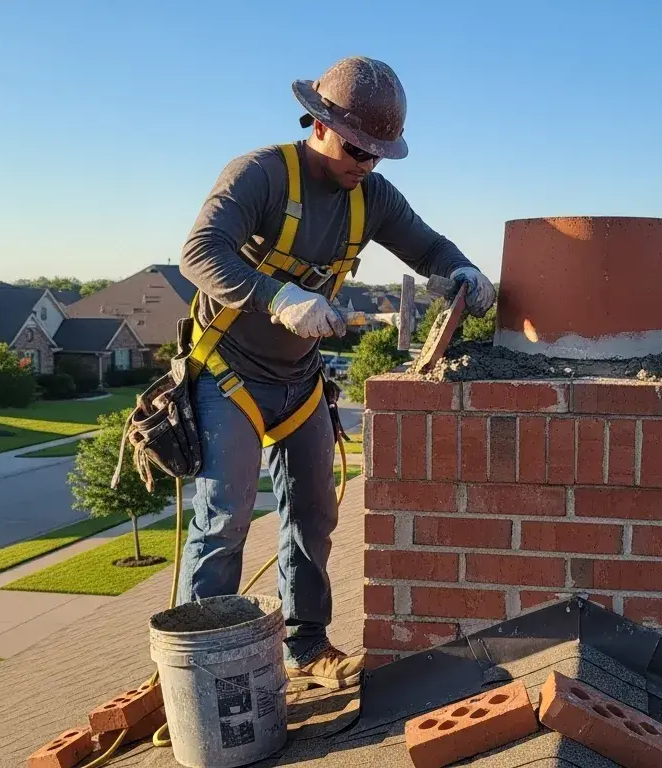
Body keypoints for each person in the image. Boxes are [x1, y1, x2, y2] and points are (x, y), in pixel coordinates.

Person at [175, 55, 496, 690]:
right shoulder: (262, 174)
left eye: (378, 154)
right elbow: (198, 251)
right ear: (318, 123)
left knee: (314, 514)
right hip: (228, 374)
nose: (365, 163)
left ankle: (306, 645)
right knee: (225, 519)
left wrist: (461, 269)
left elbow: (430, 247)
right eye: (356, 148)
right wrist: (278, 297)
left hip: (299, 382)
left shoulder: (370, 197)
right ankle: (202, 674)